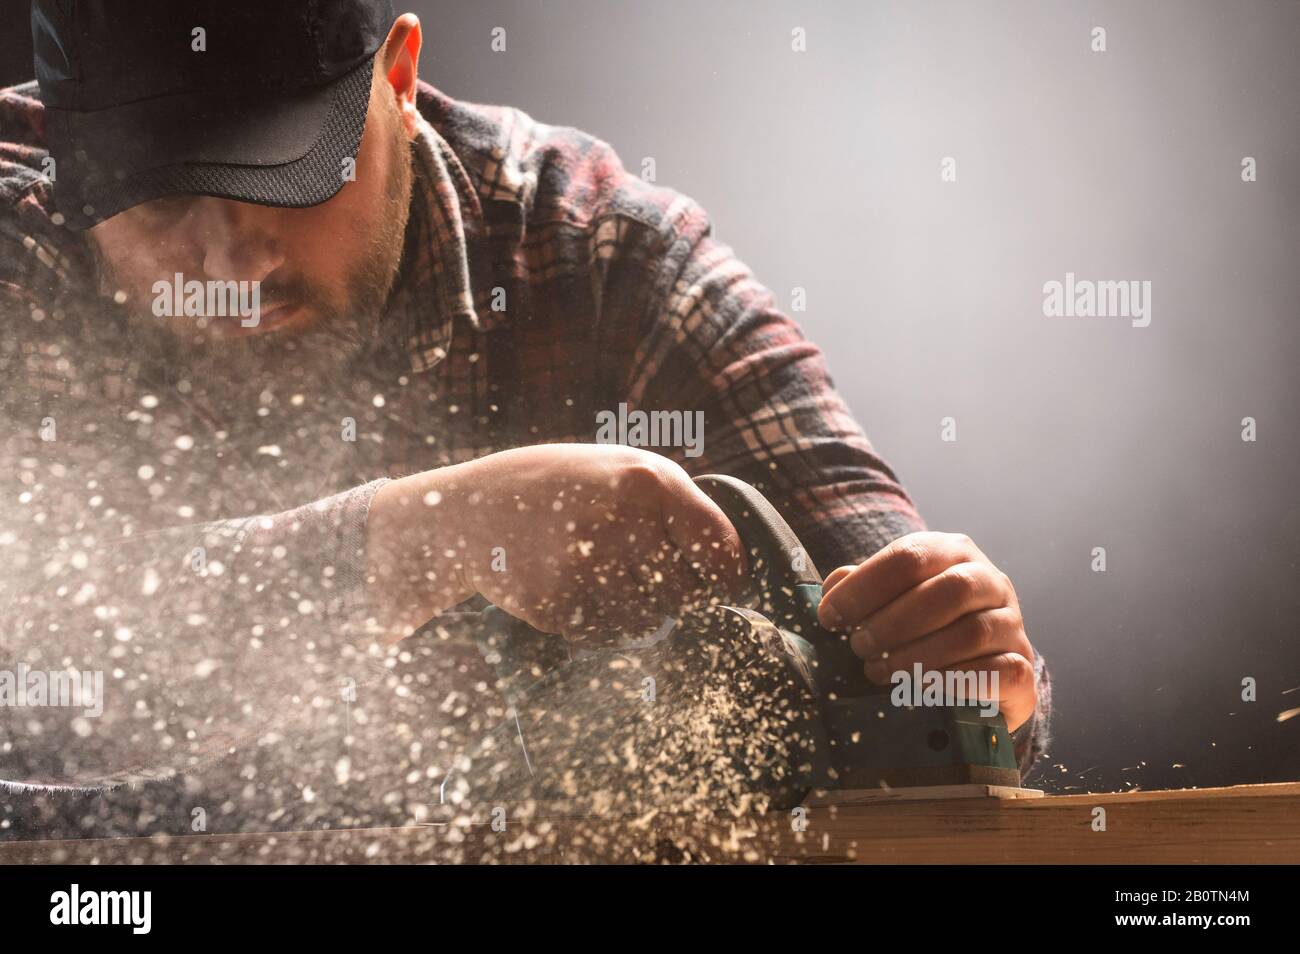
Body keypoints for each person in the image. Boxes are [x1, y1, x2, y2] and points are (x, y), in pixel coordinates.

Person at [0, 1, 1049, 823]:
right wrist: (440, 535)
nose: (233, 263)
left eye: (287, 175)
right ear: (66, 151)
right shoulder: (17, 234)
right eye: (159, 201)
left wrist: (959, 668)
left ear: (398, 80)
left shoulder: (604, 257)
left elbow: (919, 655)